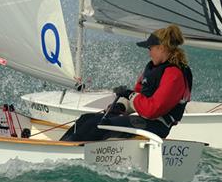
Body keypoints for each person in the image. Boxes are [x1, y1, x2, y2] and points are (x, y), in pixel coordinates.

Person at [61, 25, 193, 141]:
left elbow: (152, 110)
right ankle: (62, 146)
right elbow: (138, 96)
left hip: (156, 126)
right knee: (86, 119)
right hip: (144, 121)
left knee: (94, 125)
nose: (149, 53)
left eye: (150, 48)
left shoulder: (174, 74)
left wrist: (130, 95)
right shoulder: (154, 68)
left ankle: (66, 152)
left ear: (161, 48)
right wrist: (121, 107)